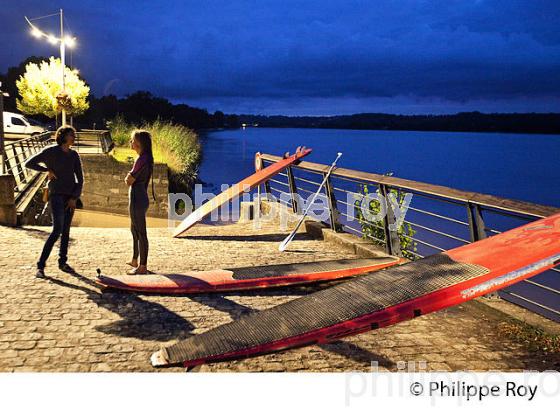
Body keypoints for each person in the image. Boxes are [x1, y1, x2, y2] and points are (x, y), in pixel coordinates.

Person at [25, 125, 83, 278]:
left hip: (70, 197)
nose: (74, 137)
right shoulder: (51, 151)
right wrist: (47, 171)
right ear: (63, 136)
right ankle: (40, 266)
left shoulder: (74, 155)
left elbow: (80, 179)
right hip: (56, 195)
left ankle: (62, 262)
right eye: (72, 134)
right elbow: (29, 163)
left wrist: (74, 198)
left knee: (66, 231)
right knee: (57, 229)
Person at [125, 130, 154, 274]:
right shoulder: (146, 158)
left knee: (141, 233)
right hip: (140, 197)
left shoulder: (142, 159)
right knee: (134, 230)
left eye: (132, 140)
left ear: (138, 143)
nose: (130, 142)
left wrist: (128, 177)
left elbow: (129, 180)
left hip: (137, 198)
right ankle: (135, 259)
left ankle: (142, 266)